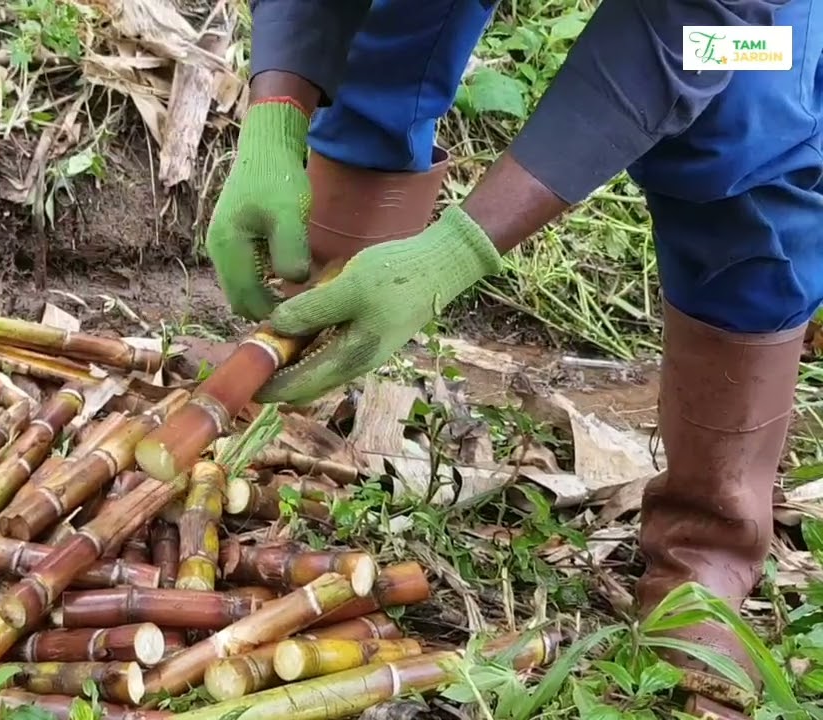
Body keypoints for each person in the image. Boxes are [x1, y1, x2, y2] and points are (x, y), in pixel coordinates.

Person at [204, 0, 823, 706]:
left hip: (726, 23)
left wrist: (455, 252)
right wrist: (276, 112)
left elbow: (684, 28)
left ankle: (709, 542)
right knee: (382, 32)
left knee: (745, 113)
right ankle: (308, 383)